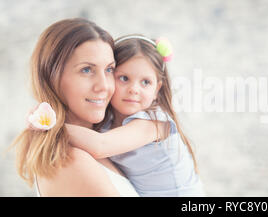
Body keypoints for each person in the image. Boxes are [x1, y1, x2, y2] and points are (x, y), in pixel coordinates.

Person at [63, 34, 205, 196]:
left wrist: (50, 125)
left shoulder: (155, 123)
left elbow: (99, 146)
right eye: (124, 78)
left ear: (156, 90)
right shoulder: (106, 122)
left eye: (145, 82)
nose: (134, 89)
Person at [11, 18, 139, 196]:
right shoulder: (70, 161)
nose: (104, 86)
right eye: (86, 70)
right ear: (52, 78)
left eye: (109, 69)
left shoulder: (103, 144)